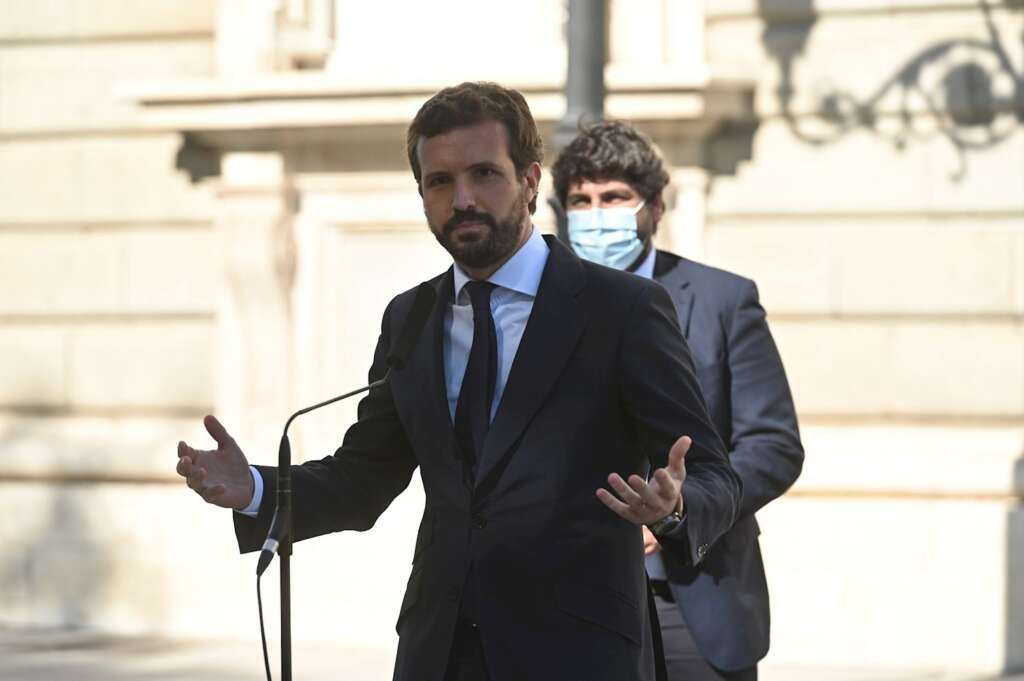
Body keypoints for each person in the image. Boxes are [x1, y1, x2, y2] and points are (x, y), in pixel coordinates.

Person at [175, 82, 740, 681]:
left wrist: (673, 509)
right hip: (439, 653)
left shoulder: (621, 309)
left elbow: (713, 476)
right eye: (439, 182)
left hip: (579, 652)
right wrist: (258, 489)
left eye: (483, 174)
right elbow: (365, 478)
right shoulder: (411, 318)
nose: (462, 198)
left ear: (528, 179)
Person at [551, 119, 804, 681]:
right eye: (581, 200)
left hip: (694, 592)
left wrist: (680, 507)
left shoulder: (723, 299)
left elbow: (774, 444)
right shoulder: (540, 308)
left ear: (655, 207)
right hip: (573, 598)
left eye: (615, 197)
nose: (597, 213)